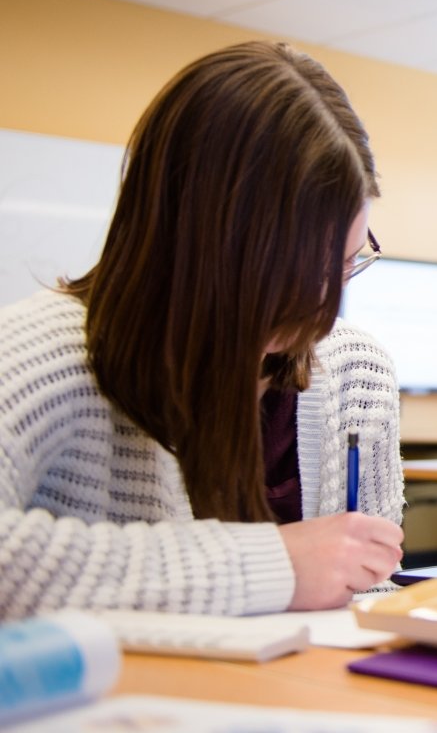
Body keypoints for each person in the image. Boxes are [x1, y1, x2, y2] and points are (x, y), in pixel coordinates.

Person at [0, 41, 406, 619]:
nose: (325, 306)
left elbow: (371, 589)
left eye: (345, 263)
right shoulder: (41, 355)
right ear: (200, 247)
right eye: (300, 270)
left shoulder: (356, 371)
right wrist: (271, 566)